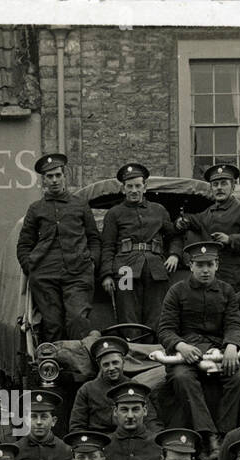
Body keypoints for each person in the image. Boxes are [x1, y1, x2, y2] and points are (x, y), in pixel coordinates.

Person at [157, 241, 240, 457]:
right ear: (191, 266)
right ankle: (207, 435)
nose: (205, 270)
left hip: (218, 352)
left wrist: (232, 346)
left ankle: (225, 434)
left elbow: (234, 324)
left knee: (239, 379)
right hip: (185, 354)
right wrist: (181, 345)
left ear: (217, 265)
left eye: (209, 264)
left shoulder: (226, 291)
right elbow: (165, 329)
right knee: (181, 378)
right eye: (200, 265)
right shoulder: (176, 292)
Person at [16, 152, 101, 341]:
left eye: (57, 175)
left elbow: (94, 238)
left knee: (78, 320)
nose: (54, 180)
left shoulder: (80, 205)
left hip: (78, 274)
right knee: (52, 324)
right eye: (49, 176)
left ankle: (79, 367)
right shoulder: (36, 209)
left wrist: (92, 262)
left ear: (64, 176)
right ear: (44, 180)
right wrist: (31, 268)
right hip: (45, 277)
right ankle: (55, 368)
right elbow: (23, 245)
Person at [101, 161, 180, 327]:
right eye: (129, 186)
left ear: (145, 187)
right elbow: (107, 246)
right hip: (125, 269)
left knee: (157, 311)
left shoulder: (158, 210)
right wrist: (107, 274)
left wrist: (174, 254)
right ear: (123, 189)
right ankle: (132, 349)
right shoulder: (114, 213)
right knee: (127, 310)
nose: (134, 190)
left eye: (138, 186)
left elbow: (174, 236)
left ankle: (154, 350)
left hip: (156, 269)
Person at [178, 162, 240, 292]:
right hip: (214, 280)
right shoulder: (208, 213)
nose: (219, 188)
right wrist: (181, 220)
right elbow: (193, 219)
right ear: (211, 188)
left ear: (233, 187)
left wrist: (230, 239)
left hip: (238, 279)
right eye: (215, 184)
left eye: (224, 183)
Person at [68, 335, 163, 436]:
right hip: (100, 442)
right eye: (106, 364)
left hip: (130, 440)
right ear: (99, 365)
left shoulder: (135, 387)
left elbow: (150, 421)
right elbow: (77, 426)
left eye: (115, 362)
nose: (111, 368)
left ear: (123, 362)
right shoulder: (87, 390)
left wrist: (158, 440)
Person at [14, 390, 75, 460]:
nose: (38, 422)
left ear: (53, 421)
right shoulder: (16, 450)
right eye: (33, 417)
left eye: (44, 417)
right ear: (25, 420)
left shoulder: (66, 450)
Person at [102, 382, 163, 460]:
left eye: (135, 409)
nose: (130, 416)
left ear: (144, 411)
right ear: (115, 412)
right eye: (124, 410)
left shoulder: (158, 444)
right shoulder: (104, 445)